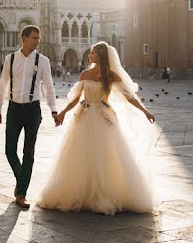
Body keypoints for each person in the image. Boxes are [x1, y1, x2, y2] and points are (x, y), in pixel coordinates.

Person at [38, 41, 158, 215]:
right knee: (80, 155)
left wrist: (145, 111)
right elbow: (75, 98)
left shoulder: (111, 76)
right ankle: (82, 193)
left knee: (105, 156)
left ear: (100, 56)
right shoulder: (85, 73)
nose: (89, 55)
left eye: (93, 53)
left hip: (103, 118)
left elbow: (129, 97)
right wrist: (63, 112)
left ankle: (104, 194)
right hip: (84, 117)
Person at [0, 25, 58, 209]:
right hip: (14, 109)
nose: (37, 41)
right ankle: (21, 180)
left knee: (28, 153)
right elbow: (3, 84)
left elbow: (49, 87)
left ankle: (21, 193)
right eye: (34, 38)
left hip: (32, 110)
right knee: (9, 150)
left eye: (38, 38)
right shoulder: (10, 59)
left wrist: (53, 110)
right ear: (24, 38)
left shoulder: (43, 61)